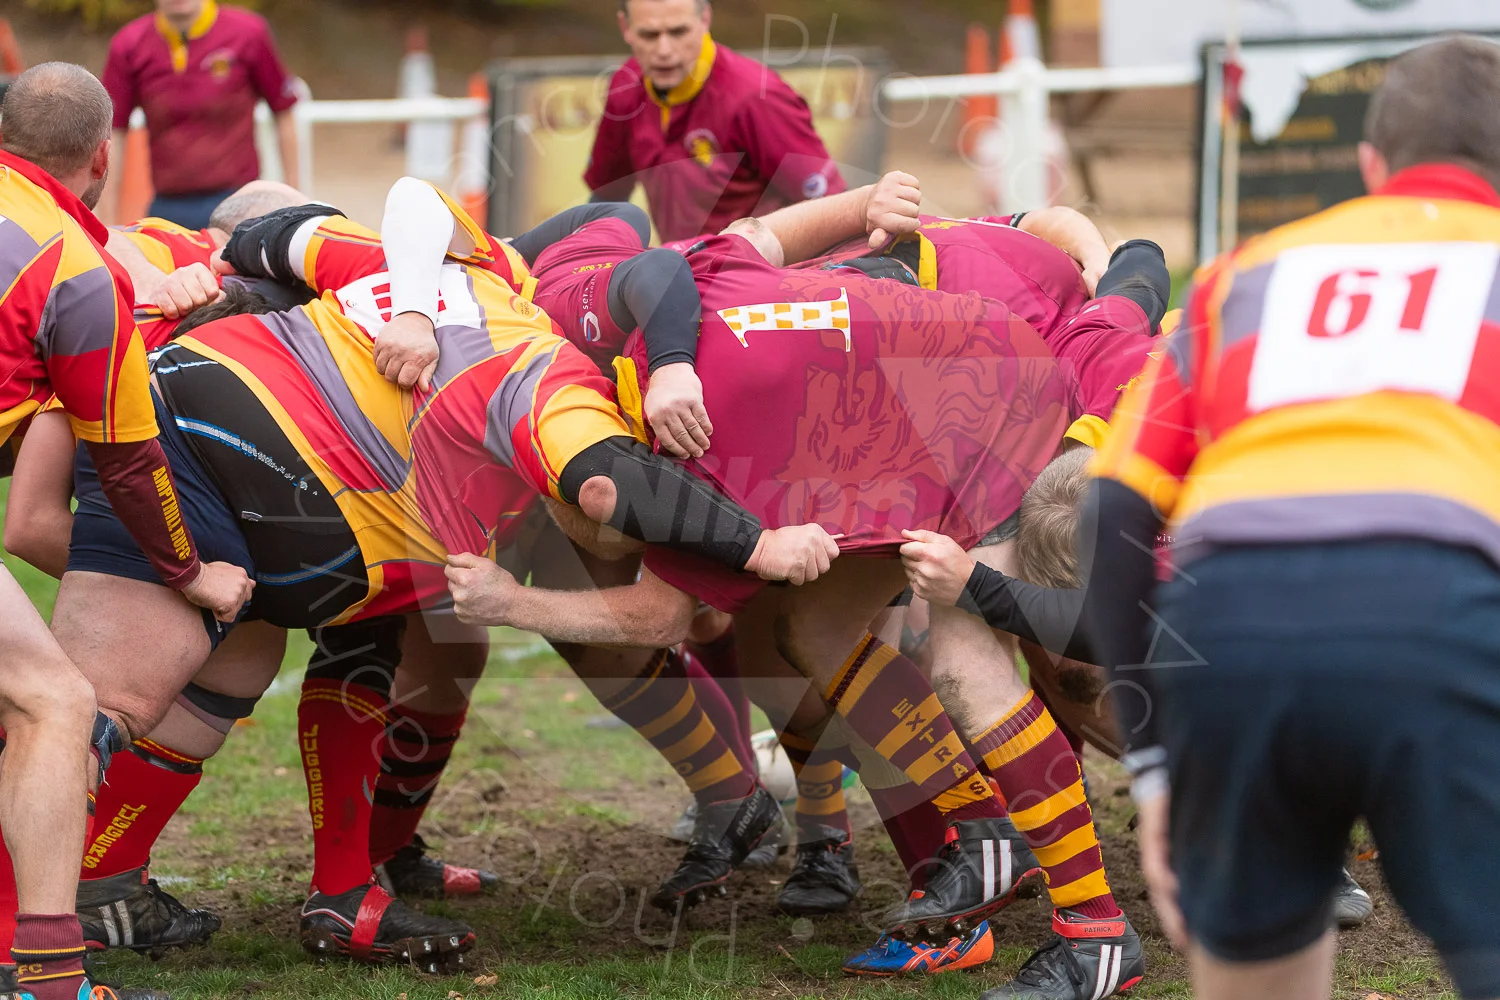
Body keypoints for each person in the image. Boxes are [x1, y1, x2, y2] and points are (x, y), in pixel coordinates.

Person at [442, 214, 1154, 999]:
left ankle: (1097, 932)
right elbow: (755, 239)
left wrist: (512, 603)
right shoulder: (697, 278)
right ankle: (982, 836)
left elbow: (662, 618)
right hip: (943, 389)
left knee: (970, 663)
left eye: (571, 490)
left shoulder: (676, 439)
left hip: (988, 408)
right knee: (811, 626)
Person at [1084, 34, 1500, 1000]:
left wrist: (1151, 769)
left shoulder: (1244, 273)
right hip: (1438, 607)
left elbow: (1111, 514)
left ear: (1370, 165)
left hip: (1229, 623)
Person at [0, 61, 251, 1000]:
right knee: (55, 707)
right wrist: (190, 578)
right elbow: (133, 471)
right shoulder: (79, 272)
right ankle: (49, 982)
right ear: (104, 156)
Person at [586, 0, 846, 242]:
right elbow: (606, 198)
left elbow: (832, 209)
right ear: (625, 28)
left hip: (765, 277)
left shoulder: (757, 97)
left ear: (705, 20)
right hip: (680, 274)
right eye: (649, 35)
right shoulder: (625, 87)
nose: (663, 50)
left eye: (678, 32)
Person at [100, 0, 300, 229]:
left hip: (240, 204)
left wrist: (293, 204)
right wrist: (106, 227)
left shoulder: (249, 33)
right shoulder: (129, 44)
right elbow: (112, 132)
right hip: (167, 207)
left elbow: (284, 111)